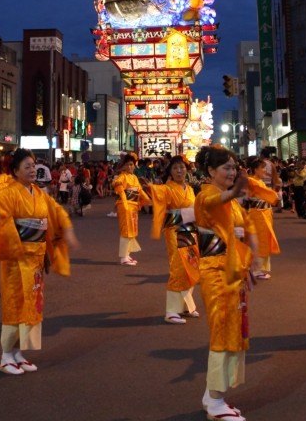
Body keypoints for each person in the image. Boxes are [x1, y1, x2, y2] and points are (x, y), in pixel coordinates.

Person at [0, 149, 78, 375]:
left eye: (33, 165)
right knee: (15, 304)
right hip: (18, 257)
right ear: (15, 171)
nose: (32, 169)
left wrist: (67, 231)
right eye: (27, 166)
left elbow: (56, 212)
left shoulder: (39, 193)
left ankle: (18, 353)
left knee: (32, 305)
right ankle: (6, 355)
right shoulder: (11, 192)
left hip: (35, 257)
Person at [194, 145, 261, 421]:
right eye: (226, 168)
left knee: (233, 328)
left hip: (233, 271)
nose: (232, 172)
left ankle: (214, 395)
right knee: (222, 329)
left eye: (234, 167)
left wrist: (252, 262)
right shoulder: (206, 196)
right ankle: (215, 399)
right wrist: (233, 192)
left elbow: (246, 229)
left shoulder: (230, 202)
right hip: (216, 271)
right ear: (210, 172)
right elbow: (212, 204)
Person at [149, 155, 201, 324]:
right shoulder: (166, 188)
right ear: (170, 172)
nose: (180, 171)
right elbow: (156, 193)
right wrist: (148, 187)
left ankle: (186, 306)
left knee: (191, 266)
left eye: (182, 167)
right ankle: (171, 310)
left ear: (187, 169)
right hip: (174, 230)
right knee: (178, 267)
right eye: (175, 168)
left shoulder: (190, 189)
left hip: (190, 230)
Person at [243, 155, 280, 278]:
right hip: (258, 215)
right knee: (259, 242)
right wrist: (275, 196)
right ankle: (256, 269)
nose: (265, 170)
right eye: (262, 168)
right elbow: (269, 195)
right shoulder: (252, 181)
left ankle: (257, 268)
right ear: (254, 169)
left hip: (263, 213)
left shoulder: (257, 181)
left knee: (263, 241)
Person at [112, 154, 151, 265]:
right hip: (126, 205)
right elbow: (118, 187)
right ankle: (124, 257)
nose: (130, 167)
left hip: (133, 205)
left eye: (132, 165)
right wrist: (124, 204)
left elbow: (140, 190)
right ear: (123, 166)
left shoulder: (134, 177)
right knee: (126, 230)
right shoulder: (122, 176)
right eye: (128, 165)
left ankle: (127, 254)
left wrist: (146, 200)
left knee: (132, 230)